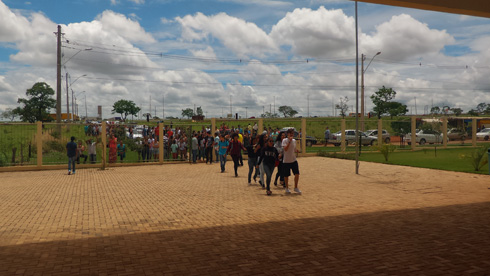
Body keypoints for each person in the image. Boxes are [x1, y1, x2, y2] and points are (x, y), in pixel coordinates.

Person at [282, 128, 301, 194]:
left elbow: (294, 149)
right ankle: (287, 188)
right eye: (290, 134)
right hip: (286, 161)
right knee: (286, 175)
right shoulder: (284, 140)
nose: (291, 135)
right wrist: (289, 142)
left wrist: (297, 151)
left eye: (292, 134)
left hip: (293, 160)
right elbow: (286, 149)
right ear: (287, 134)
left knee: (297, 173)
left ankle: (296, 187)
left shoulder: (294, 141)